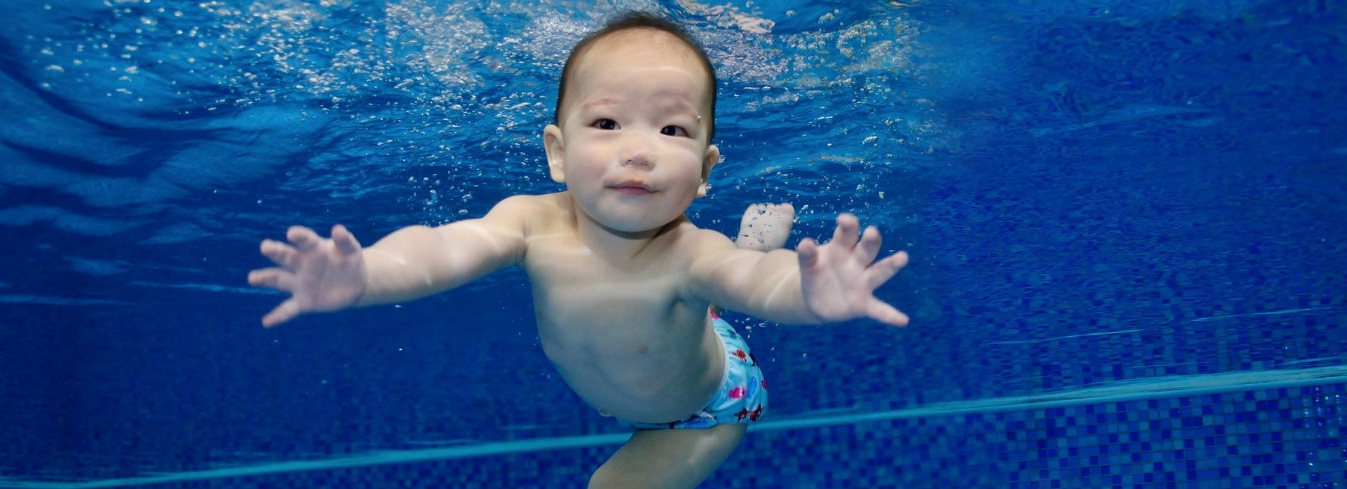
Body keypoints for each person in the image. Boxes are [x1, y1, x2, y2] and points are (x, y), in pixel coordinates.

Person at [248, 12, 909, 489]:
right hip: (681, 337)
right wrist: (366, 273)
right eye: (606, 122)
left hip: (706, 408)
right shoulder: (530, 222)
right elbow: (444, 247)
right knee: (702, 310)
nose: (639, 148)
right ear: (557, 153)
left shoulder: (688, 251)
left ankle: (758, 236)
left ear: (705, 170)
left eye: (672, 128)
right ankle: (754, 232)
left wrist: (810, 295)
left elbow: (753, 281)